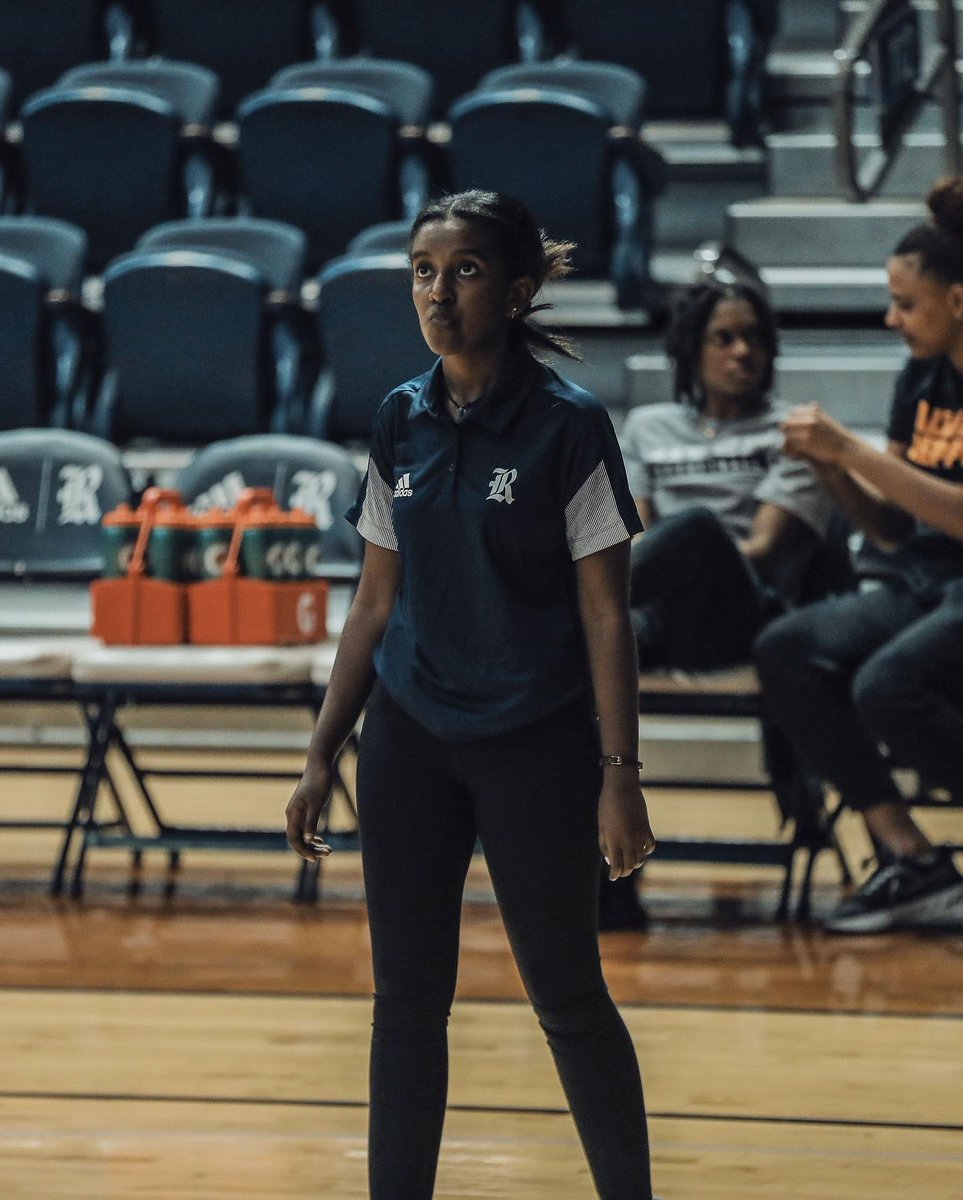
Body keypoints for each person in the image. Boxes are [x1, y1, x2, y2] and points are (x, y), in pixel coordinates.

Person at [285, 190, 659, 1200]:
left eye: (466, 271)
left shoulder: (570, 427)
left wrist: (620, 776)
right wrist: (323, 751)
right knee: (405, 1002)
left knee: (569, 995)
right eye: (422, 270)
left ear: (521, 290)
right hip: (409, 738)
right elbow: (372, 600)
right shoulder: (398, 418)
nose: (437, 292)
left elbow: (605, 614)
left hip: (533, 742)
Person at [754, 175, 963, 934]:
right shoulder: (921, 377)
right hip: (923, 582)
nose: (891, 317)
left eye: (905, 304)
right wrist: (830, 471)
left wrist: (850, 447)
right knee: (787, 647)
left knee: (887, 686)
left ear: (957, 301)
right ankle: (911, 859)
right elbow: (894, 530)